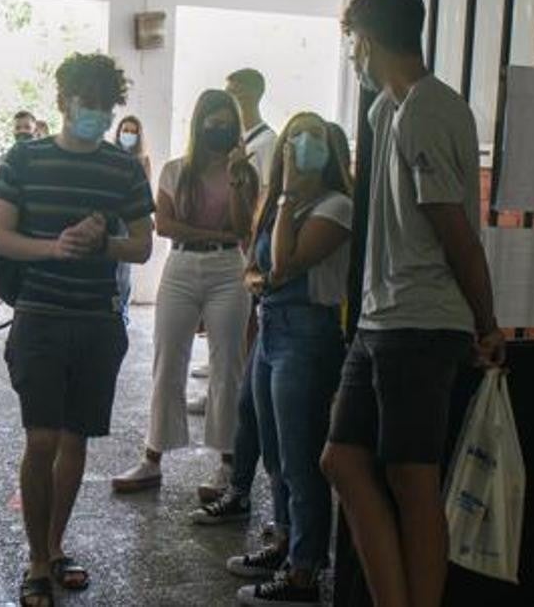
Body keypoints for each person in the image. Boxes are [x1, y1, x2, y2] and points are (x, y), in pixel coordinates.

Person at [319, 0, 506, 607]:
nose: (354, 60)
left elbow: (456, 233)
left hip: (424, 322)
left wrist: (487, 323)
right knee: (342, 460)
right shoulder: (384, 111)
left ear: (368, 42)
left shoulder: (429, 110)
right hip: (379, 319)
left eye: (354, 46)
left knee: (412, 478)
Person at [0, 52, 154, 607]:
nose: (97, 116)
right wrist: (54, 247)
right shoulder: (25, 158)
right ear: (63, 102)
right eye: (88, 105)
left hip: (98, 320)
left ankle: (57, 546)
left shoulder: (122, 167)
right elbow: (0, 237)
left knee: (76, 440)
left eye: (105, 107)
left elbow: (144, 243)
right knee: (41, 439)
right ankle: (36, 556)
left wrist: (105, 241)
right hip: (39, 315)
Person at [229, 113, 353, 605]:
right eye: (296, 137)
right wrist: (259, 279)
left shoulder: (337, 205)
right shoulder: (277, 205)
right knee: (274, 449)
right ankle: (282, 542)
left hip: (307, 334)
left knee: (302, 458)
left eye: (315, 137)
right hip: (272, 327)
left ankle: (304, 572)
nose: (304, 144)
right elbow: (255, 269)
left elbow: (284, 263)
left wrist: (286, 198)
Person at [112, 89, 258, 496]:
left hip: (229, 268)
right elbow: (165, 225)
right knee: (167, 359)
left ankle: (228, 464)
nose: (220, 127)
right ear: (199, 123)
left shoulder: (245, 172)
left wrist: (237, 180)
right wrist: (216, 232)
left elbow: (245, 227)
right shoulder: (176, 170)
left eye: (227, 120)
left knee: (228, 362)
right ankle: (152, 457)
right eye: (212, 120)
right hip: (182, 266)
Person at [190, 71, 283, 509]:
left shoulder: (267, 143)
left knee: (241, 354)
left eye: (236, 90)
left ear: (252, 93)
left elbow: (260, 199)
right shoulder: (233, 143)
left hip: (254, 249)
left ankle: (236, 470)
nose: (230, 98)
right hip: (243, 253)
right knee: (229, 354)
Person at [112, 115, 151, 318]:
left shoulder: (142, 160)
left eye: (132, 132)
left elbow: (145, 192)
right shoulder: (109, 156)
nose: (128, 135)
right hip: (112, 215)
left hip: (130, 218)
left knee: (124, 266)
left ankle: (123, 309)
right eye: (124, 130)